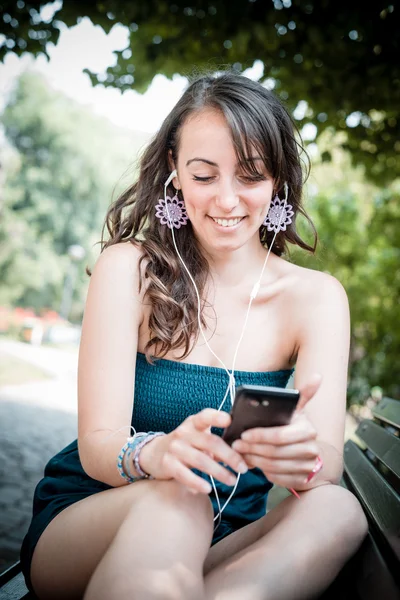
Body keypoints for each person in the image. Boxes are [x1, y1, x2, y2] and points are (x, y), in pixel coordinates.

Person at [20, 71, 368, 600]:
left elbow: (324, 467)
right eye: (205, 176)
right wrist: (157, 455)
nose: (227, 200)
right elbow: (98, 446)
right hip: (95, 525)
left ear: (278, 179)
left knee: (337, 508)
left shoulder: (317, 298)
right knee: (182, 496)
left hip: (221, 542)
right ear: (174, 175)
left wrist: (300, 457)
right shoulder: (130, 269)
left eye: (250, 175)